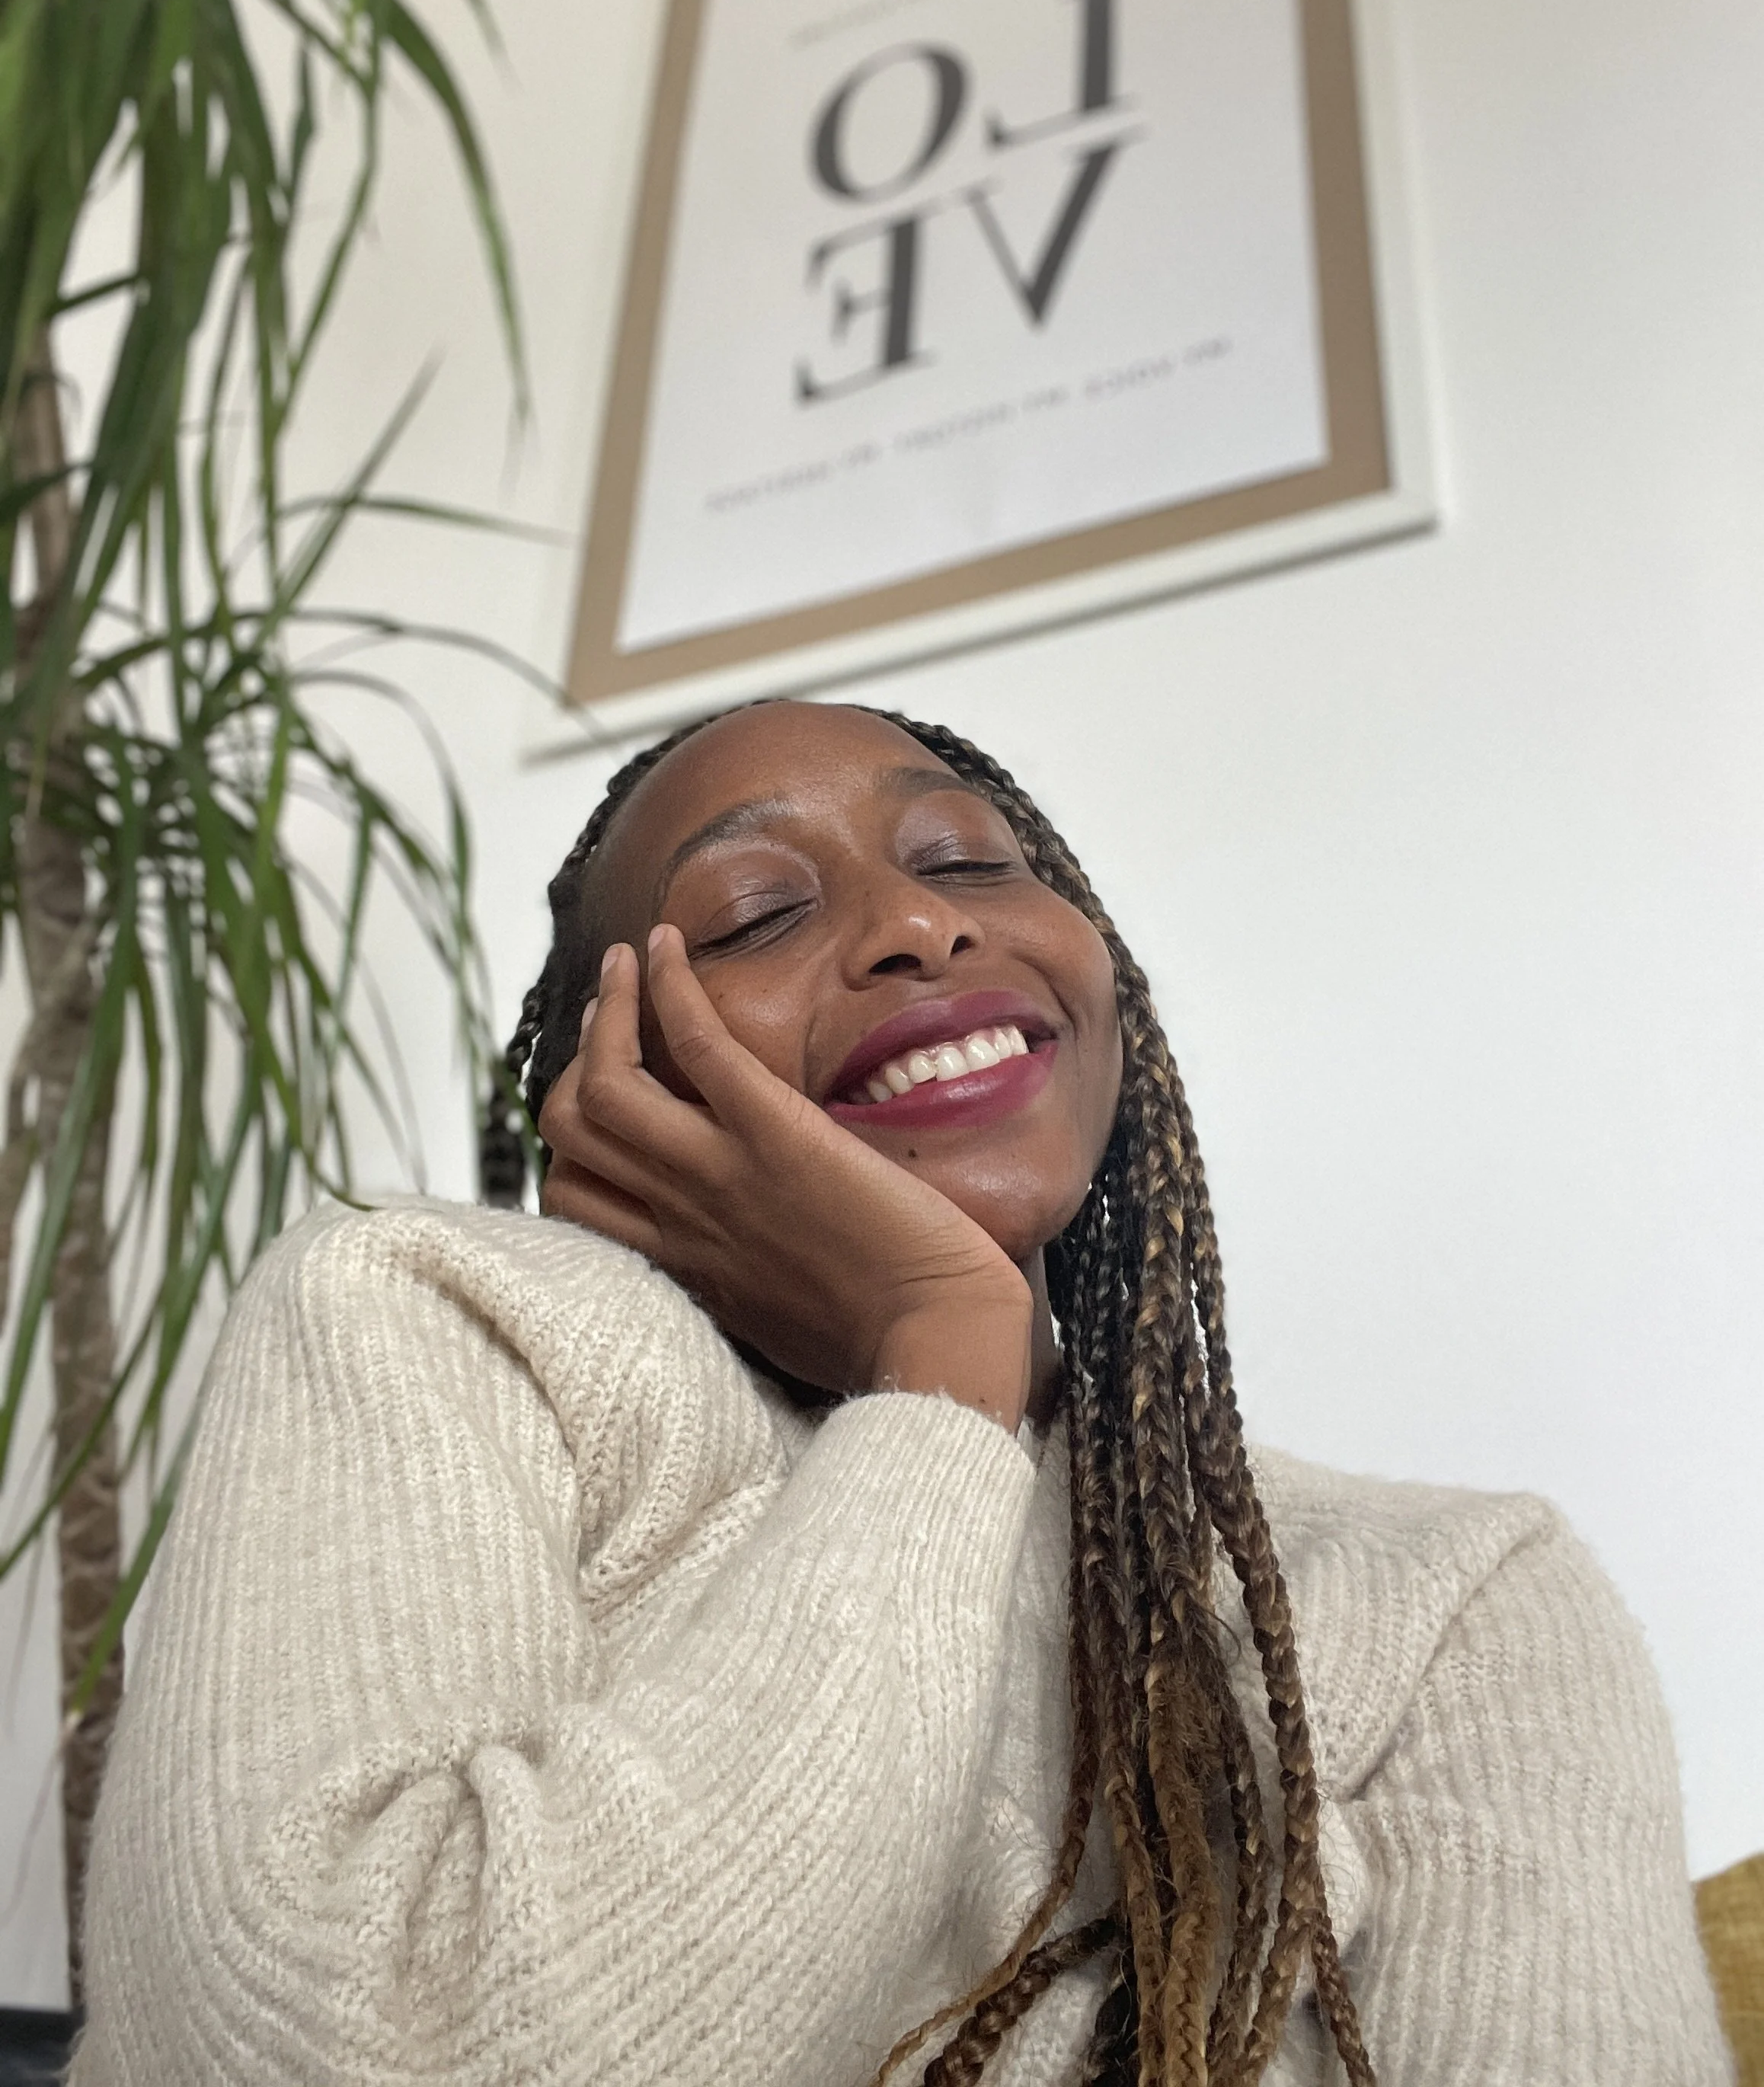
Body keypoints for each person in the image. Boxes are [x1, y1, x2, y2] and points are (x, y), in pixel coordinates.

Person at [73, 700, 1730, 2086]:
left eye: (968, 861)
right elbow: (357, 2047)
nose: (919, 925)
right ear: (611, 1089)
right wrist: (941, 1359)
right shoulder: (438, 1314)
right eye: (754, 915)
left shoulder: (1454, 1602)